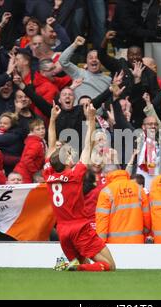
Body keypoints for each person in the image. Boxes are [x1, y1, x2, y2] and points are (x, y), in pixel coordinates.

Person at [43, 101, 115, 271]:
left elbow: (51, 144)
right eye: (68, 154)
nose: (71, 155)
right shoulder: (75, 175)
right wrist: (91, 119)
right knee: (110, 266)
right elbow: (88, 145)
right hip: (80, 227)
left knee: (84, 264)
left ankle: (74, 266)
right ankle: (75, 267)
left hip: (62, 230)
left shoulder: (48, 173)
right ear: (66, 160)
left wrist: (52, 120)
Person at [95, 164, 151, 243]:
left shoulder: (106, 192)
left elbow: (102, 221)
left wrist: (101, 244)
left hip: (114, 244)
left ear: (106, 174)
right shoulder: (138, 189)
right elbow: (146, 216)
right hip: (136, 241)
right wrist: (145, 231)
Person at [13, 118, 47, 183]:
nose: (42, 131)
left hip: (22, 172)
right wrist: (35, 173)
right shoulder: (36, 143)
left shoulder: (35, 141)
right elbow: (27, 159)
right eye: (38, 129)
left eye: (43, 128)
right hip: (24, 174)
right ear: (32, 132)